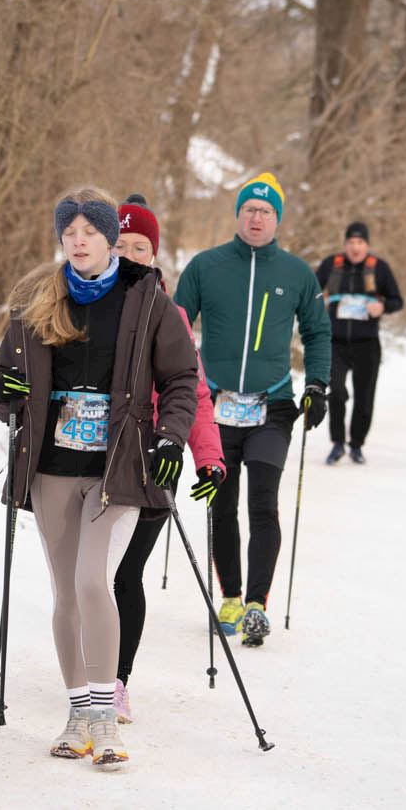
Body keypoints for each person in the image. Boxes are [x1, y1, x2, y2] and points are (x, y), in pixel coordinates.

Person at [0, 188, 198, 768]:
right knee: (64, 595)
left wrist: (171, 438)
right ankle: (78, 712)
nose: (78, 240)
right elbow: (5, 377)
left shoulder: (146, 296)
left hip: (117, 467)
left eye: (89, 230)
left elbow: (181, 377)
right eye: (69, 230)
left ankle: (106, 718)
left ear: (110, 238)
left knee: (91, 583)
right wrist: (5, 397)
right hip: (51, 467)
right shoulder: (37, 296)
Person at [173, 172, 332, 646]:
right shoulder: (206, 266)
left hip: (273, 404)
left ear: (277, 219)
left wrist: (319, 384)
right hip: (215, 405)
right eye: (249, 210)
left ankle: (258, 605)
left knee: (263, 502)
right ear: (238, 215)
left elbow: (318, 332)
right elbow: (176, 327)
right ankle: (231, 598)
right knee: (223, 503)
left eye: (265, 211)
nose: (256, 217)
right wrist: (173, 387)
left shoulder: (297, 274)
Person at [109, 193, 226, 724]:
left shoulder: (170, 313)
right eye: (121, 245)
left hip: (158, 461)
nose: (131, 255)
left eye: (141, 247)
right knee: (89, 578)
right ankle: (87, 671)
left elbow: (193, 394)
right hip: (95, 464)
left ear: (154, 256)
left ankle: (116, 680)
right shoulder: (82, 304)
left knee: (125, 575)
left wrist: (208, 459)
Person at [315, 221, 403, 465]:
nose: (356, 248)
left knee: (365, 397)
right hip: (336, 342)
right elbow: (311, 290)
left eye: (360, 243)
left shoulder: (379, 268)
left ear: (367, 245)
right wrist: (318, 305)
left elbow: (397, 300)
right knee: (337, 392)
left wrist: (382, 307)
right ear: (345, 244)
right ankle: (338, 443)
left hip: (367, 342)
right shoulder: (332, 265)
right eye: (351, 242)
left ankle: (356, 445)